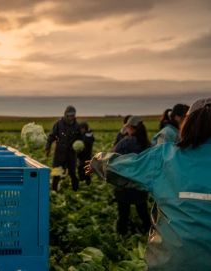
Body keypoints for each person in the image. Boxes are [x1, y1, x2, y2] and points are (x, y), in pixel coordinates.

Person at [85, 98, 211, 271]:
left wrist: (97, 162)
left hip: (172, 262)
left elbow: (127, 166)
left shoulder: (167, 156)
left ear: (187, 124)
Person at [111, 116, 151, 235]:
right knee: (143, 213)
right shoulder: (147, 144)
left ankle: (122, 240)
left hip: (124, 186)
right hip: (141, 186)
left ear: (128, 128)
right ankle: (150, 235)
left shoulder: (124, 143)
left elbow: (113, 161)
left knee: (123, 217)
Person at [46, 106, 83, 191]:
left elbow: (80, 137)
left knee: (72, 173)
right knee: (56, 173)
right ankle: (54, 190)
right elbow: (51, 136)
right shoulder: (58, 124)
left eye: (73, 115)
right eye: (70, 115)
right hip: (60, 152)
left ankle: (75, 190)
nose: (71, 117)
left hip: (71, 153)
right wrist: (48, 147)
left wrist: (80, 144)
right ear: (66, 115)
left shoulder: (76, 126)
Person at [77, 121, 95, 186]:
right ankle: (87, 185)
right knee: (86, 173)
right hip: (86, 158)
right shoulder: (88, 135)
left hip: (84, 158)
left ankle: (86, 186)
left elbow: (84, 147)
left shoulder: (86, 137)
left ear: (83, 128)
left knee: (83, 173)